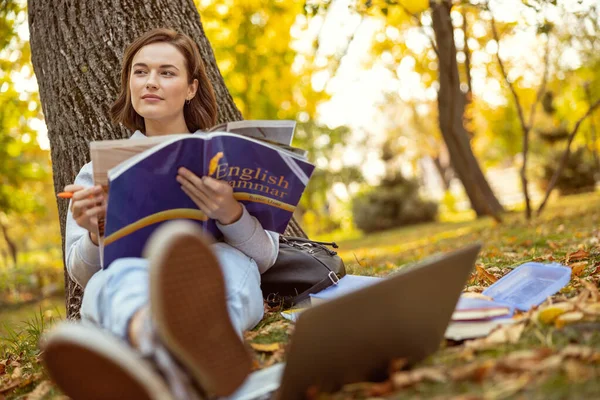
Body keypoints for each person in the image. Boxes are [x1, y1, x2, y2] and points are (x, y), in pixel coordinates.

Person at [42, 28, 278, 400]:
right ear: (129, 83)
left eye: (167, 72)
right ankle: (172, 351)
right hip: (132, 274)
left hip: (210, 272)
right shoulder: (97, 170)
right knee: (112, 277)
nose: (150, 82)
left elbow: (265, 257)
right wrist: (93, 233)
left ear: (190, 88)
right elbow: (83, 274)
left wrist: (230, 213)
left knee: (228, 261)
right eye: (140, 71)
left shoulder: (228, 156)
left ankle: (161, 364)